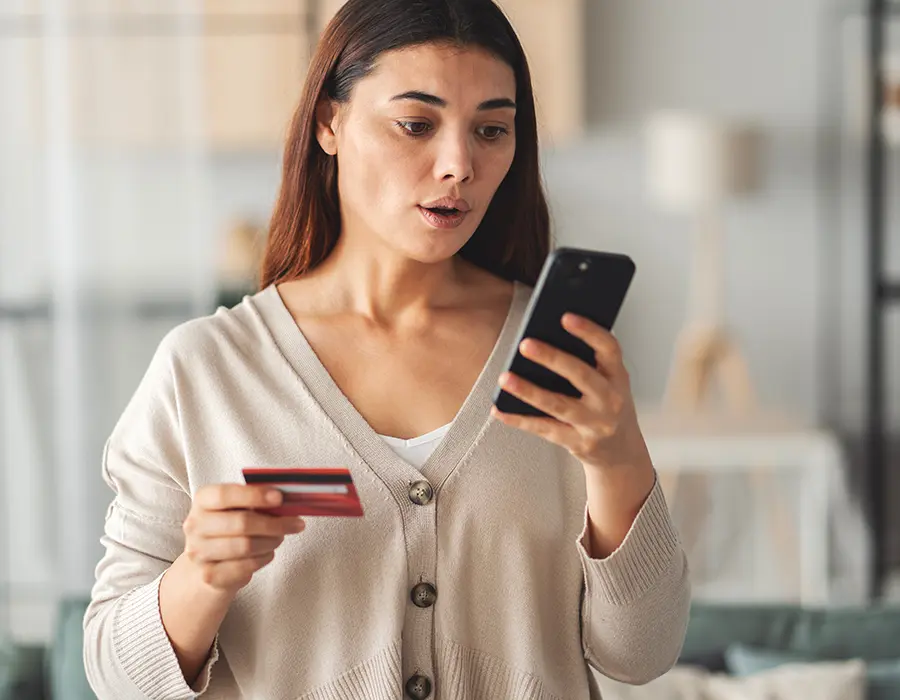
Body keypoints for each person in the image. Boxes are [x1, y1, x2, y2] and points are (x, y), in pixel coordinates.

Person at [83, 0, 690, 698]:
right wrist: (200, 577)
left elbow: (642, 654)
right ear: (329, 123)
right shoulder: (205, 371)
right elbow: (114, 677)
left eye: (492, 129)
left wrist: (618, 460)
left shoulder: (561, 362)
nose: (459, 164)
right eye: (415, 124)